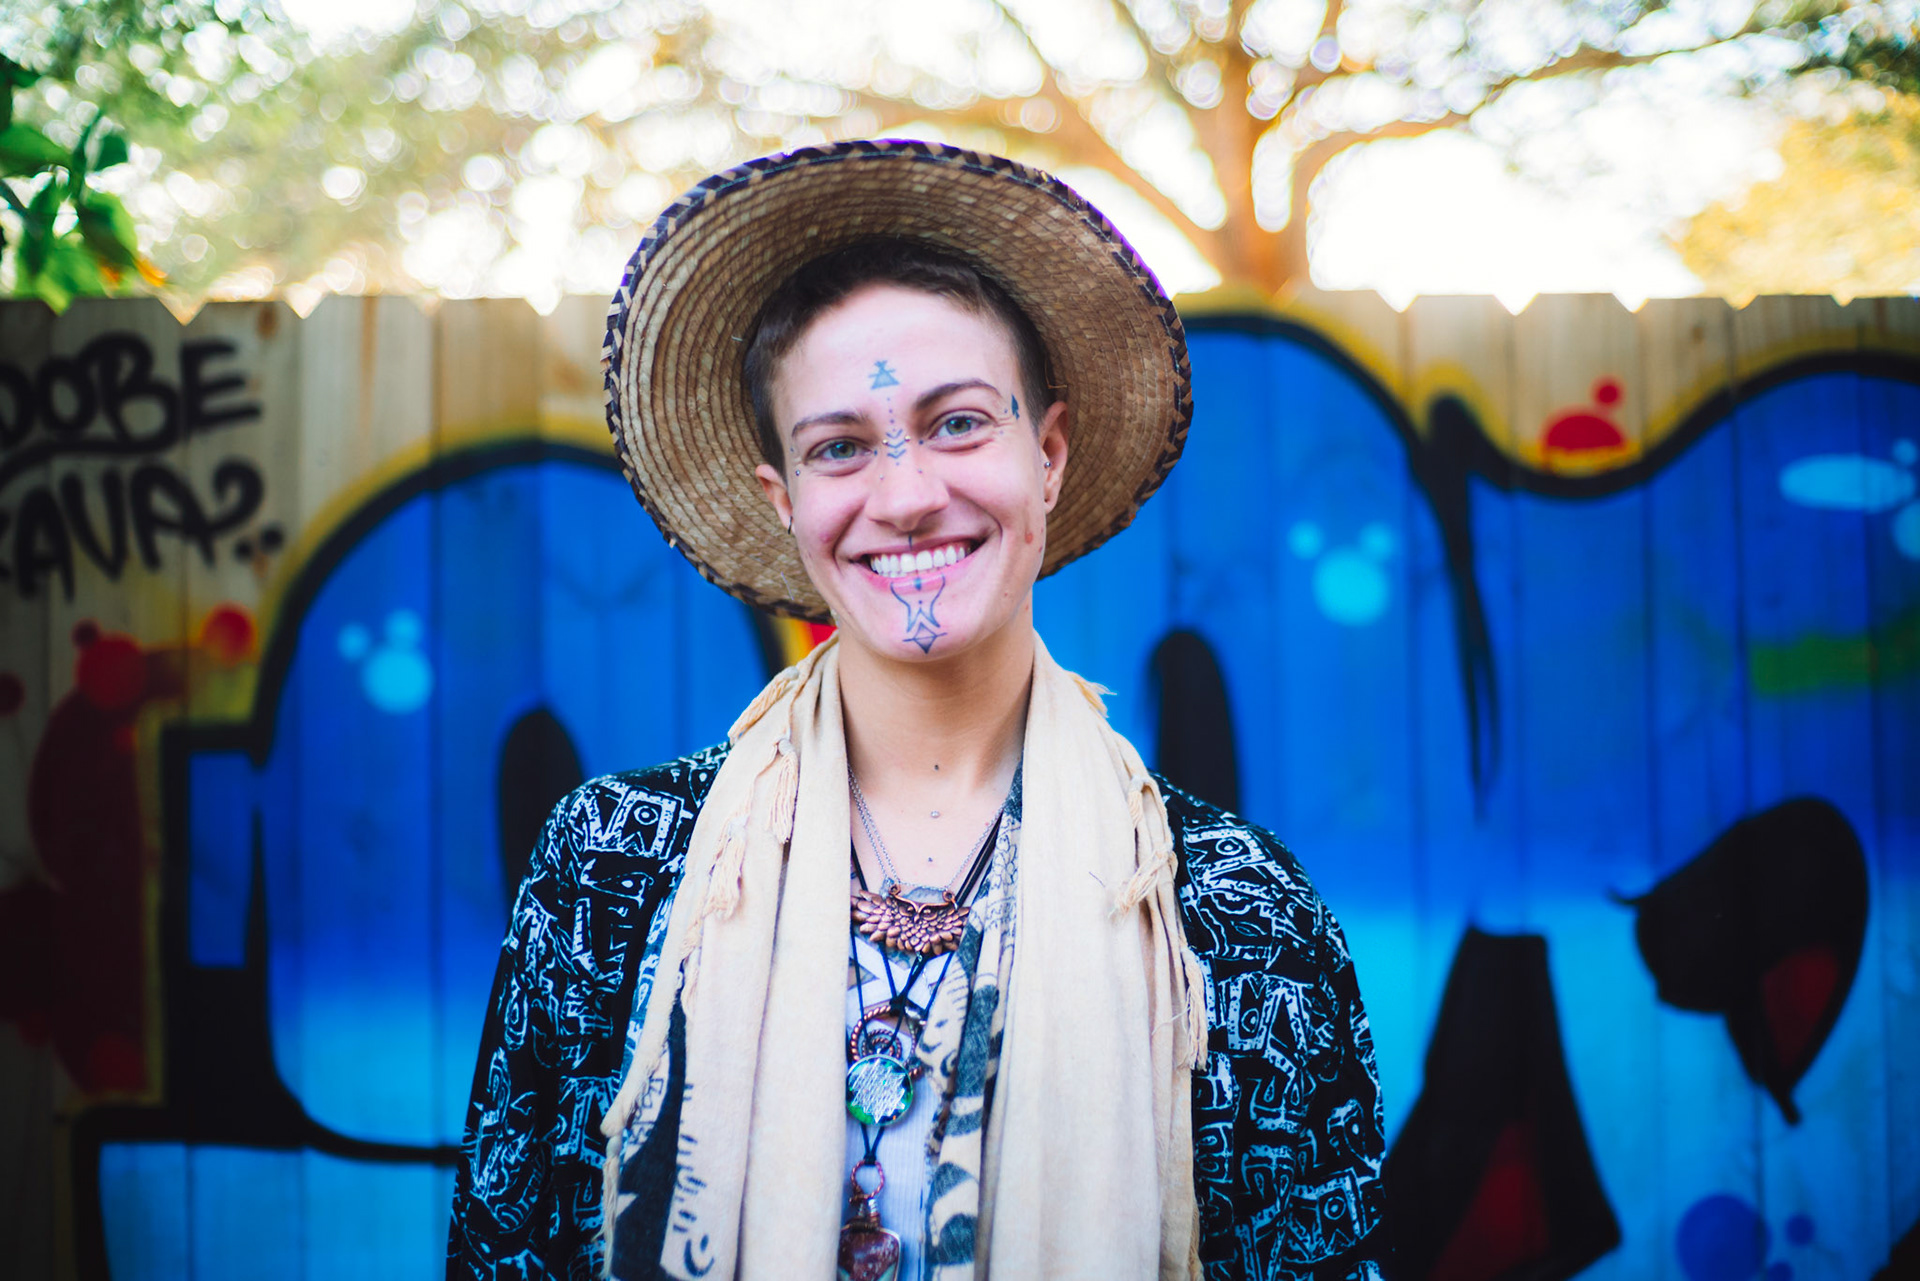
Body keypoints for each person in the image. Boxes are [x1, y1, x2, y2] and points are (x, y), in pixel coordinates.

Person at [447, 140, 1384, 1281]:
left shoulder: (1234, 916)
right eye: (840, 448)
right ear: (784, 500)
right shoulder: (613, 871)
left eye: (958, 424)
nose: (904, 496)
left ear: (1048, 453)